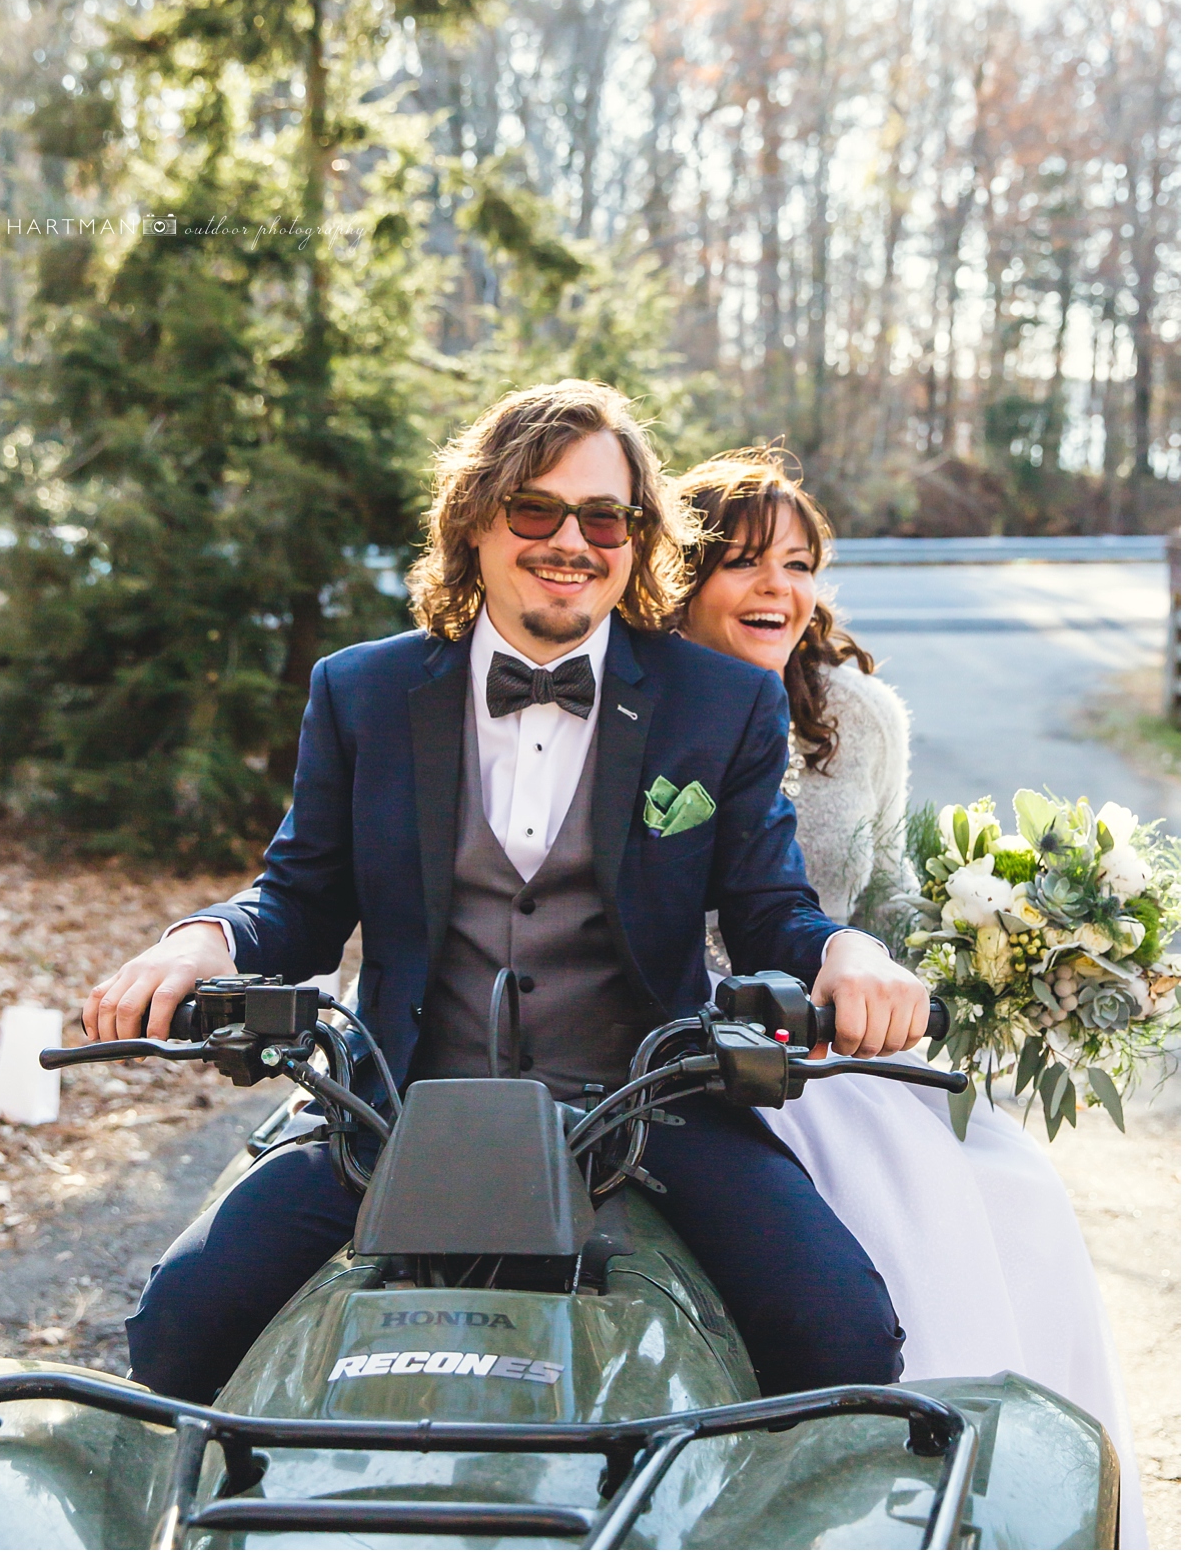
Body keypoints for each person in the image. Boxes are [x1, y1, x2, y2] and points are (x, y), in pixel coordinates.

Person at [84, 379, 931, 1408]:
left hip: (650, 1103)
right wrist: (202, 942)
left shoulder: (723, 700)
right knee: (180, 1320)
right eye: (537, 508)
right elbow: (298, 898)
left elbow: (769, 909)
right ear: (476, 519)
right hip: (396, 1101)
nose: (571, 540)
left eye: (605, 516)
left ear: (636, 539)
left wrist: (845, 952)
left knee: (839, 1327)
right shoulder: (361, 692)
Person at [676, 448, 1147, 1550]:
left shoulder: (859, 714)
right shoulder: (642, 702)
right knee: (864, 1203)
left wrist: (1000, 953)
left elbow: (882, 886)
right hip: (687, 1028)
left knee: (1006, 1189)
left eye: (797, 564)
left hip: (834, 1028)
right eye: (742, 564)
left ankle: (995, 1498)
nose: (776, 590)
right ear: (677, 576)